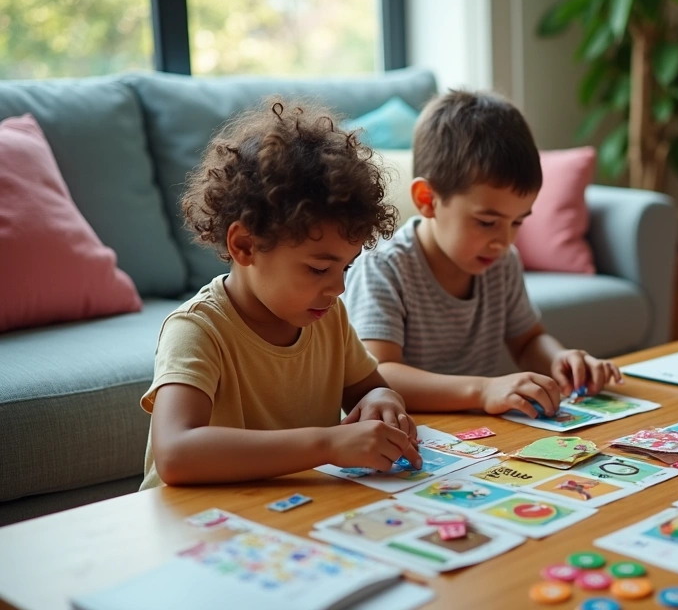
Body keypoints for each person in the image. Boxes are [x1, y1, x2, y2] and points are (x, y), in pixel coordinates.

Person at [140, 99, 421, 488]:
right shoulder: (198, 330)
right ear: (245, 245)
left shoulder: (328, 316)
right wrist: (327, 444)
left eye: (346, 267)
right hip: (193, 527)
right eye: (319, 268)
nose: (338, 287)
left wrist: (382, 402)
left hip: (283, 519)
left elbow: (371, 388)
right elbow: (175, 454)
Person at [343, 90, 620, 419]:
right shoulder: (385, 267)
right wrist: (484, 389)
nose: (502, 241)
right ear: (428, 199)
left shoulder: (502, 262)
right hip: (408, 435)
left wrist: (560, 359)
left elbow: (528, 341)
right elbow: (380, 375)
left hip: (479, 437)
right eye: (487, 222)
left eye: (517, 221)